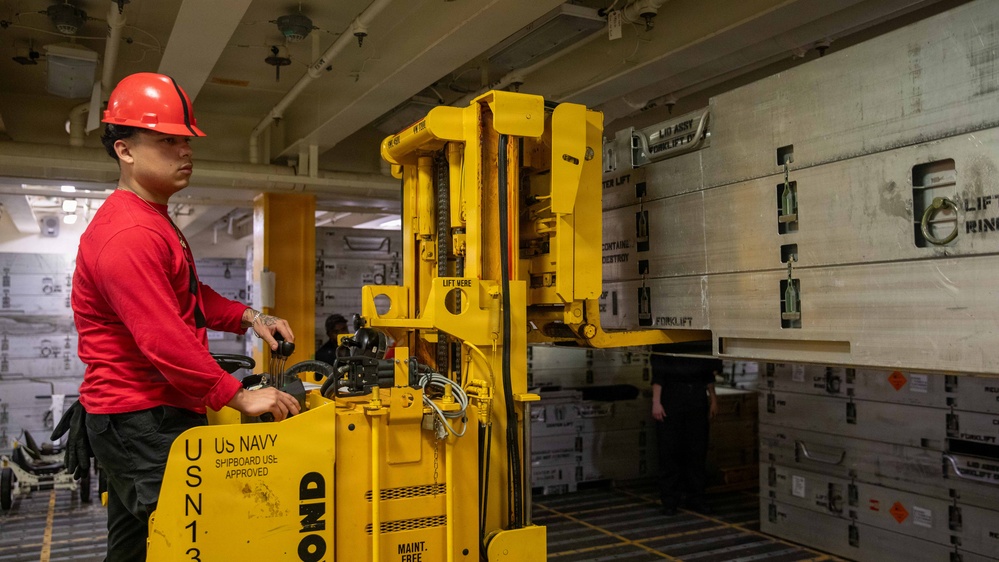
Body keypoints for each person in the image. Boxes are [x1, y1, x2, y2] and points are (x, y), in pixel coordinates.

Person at [71, 72, 301, 561]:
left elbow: (187, 298)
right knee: (196, 542)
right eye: (167, 141)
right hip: (140, 417)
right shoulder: (127, 234)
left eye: (186, 141)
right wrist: (238, 396)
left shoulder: (151, 218)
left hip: (142, 413)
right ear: (124, 150)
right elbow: (163, 337)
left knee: (139, 548)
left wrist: (249, 317)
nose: (185, 152)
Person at [650, 345, 720, 516]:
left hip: (696, 398)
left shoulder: (698, 343)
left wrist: (713, 398)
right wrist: (656, 402)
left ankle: (696, 498)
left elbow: (707, 374)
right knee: (669, 451)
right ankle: (670, 501)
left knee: (697, 451)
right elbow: (658, 375)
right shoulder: (664, 342)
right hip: (672, 397)